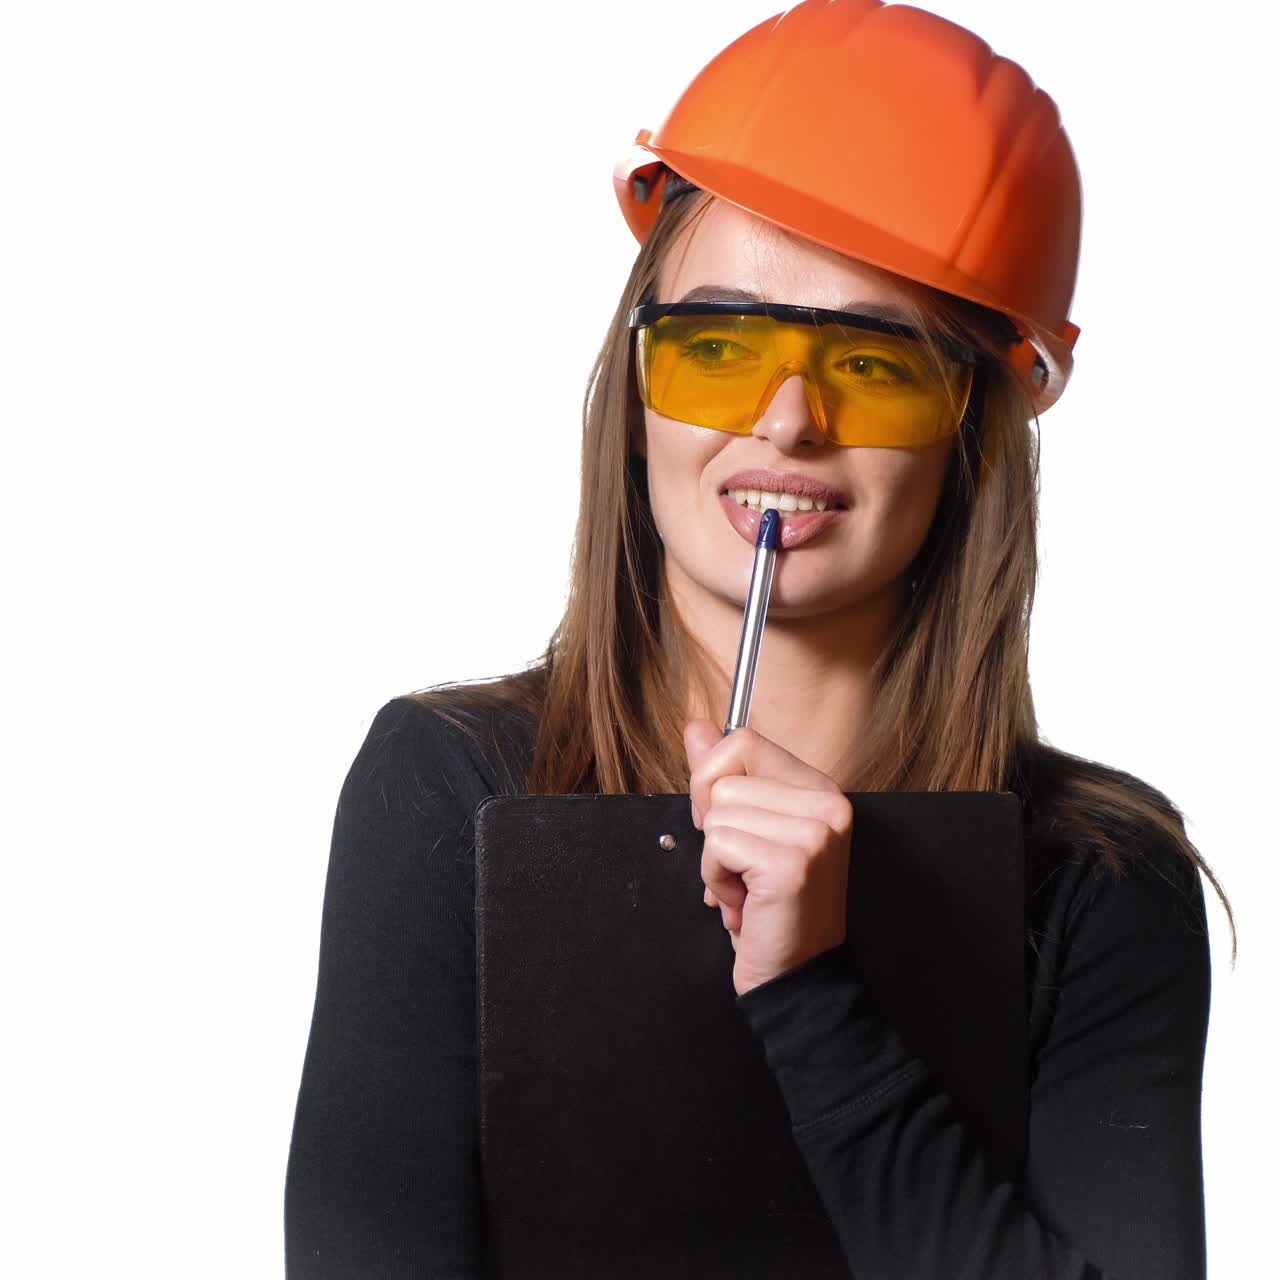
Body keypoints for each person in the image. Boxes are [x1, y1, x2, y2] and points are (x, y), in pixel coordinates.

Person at [284, 1, 1236, 1275]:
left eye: (876, 360)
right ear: (634, 398)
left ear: (967, 440)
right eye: (718, 346)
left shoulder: (1096, 878)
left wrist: (809, 996)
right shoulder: (448, 785)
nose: (787, 420)